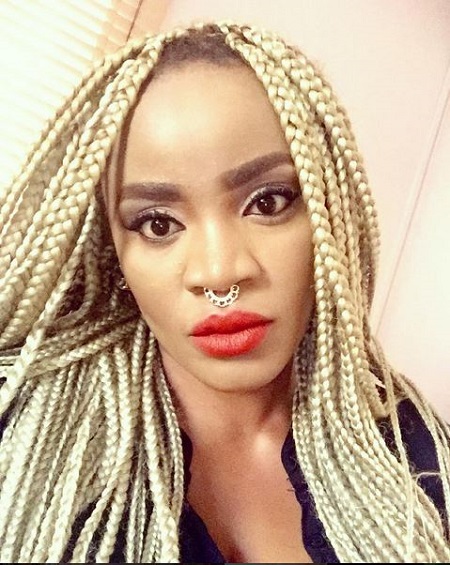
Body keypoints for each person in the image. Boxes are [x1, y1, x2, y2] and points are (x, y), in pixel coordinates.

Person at [0, 20, 449, 564]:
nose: (219, 273)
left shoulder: (419, 457)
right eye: (158, 224)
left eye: (268, 202)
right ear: (112, 252)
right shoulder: (19, 427)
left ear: (332, 214)